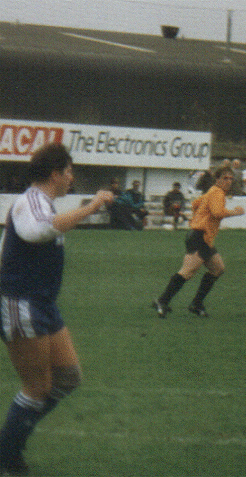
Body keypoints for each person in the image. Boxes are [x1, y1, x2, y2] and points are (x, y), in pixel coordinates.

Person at [0, 143, 115, 474]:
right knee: (37, 387)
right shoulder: (29, 201)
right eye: (68, 171)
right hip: (21, 304)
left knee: (68, 377)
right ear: (54, 174)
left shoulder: (42, 204)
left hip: (42, 305)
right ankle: (7, 455)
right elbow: (38, 230)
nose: (71, 178)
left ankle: (10, 439)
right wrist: (91, 206)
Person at [152, 166, 245, 318]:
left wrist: (198, 218)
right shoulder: (218, 193)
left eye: (230, 178)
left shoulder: (212, 191)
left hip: (203, 237)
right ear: (218, 179)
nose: (228, 181)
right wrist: (236, 212)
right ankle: (162, 300)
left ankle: (196, 303)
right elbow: (217, 213)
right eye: (225, 178)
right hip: (199, 237)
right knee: (187, 271)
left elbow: (196, 204)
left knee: (218, 268)